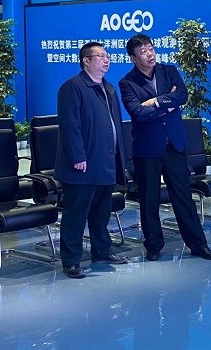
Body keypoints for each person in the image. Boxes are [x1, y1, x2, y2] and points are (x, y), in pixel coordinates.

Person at [118, 33, 211, 262]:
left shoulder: (169, 71)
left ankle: (198, 244)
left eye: (151, 48)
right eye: (143, 51)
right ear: (133, 57)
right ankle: (153, 245)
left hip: (174, 145)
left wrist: (155, 102)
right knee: (149, 200)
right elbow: (138, 113)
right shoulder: (127, 83)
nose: (149, 54)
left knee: (183, 197)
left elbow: (182, 96)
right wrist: (168, 104)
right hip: (147, 149)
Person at [55, 42, 129, 279]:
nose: (106, 60)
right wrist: (78, 156)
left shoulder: (108, 88)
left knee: (101, 212)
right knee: (76, 214)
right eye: (100, 56)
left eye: (107, 56)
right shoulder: (73, 87)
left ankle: (102, 252)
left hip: (106, 161)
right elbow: (70, 125)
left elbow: (114, 126)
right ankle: (71, 261)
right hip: (83, 164)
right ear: (86, 61)